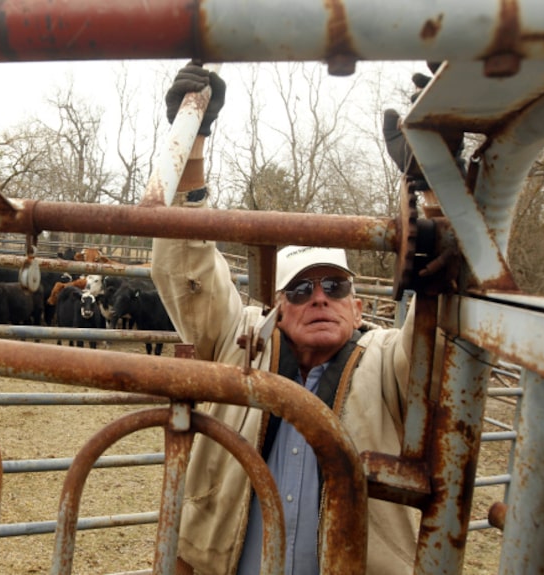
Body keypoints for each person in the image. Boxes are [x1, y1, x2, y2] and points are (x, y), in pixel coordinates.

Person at [152, 62, 420, 574]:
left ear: (358, 307)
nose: (318, 297)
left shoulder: (387, 360)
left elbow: (441, 336)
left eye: (334, 286)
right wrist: (191, 142)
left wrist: (428, 194)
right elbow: (186, 267)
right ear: (277, 305)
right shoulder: (243, 340)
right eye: (300, 289)